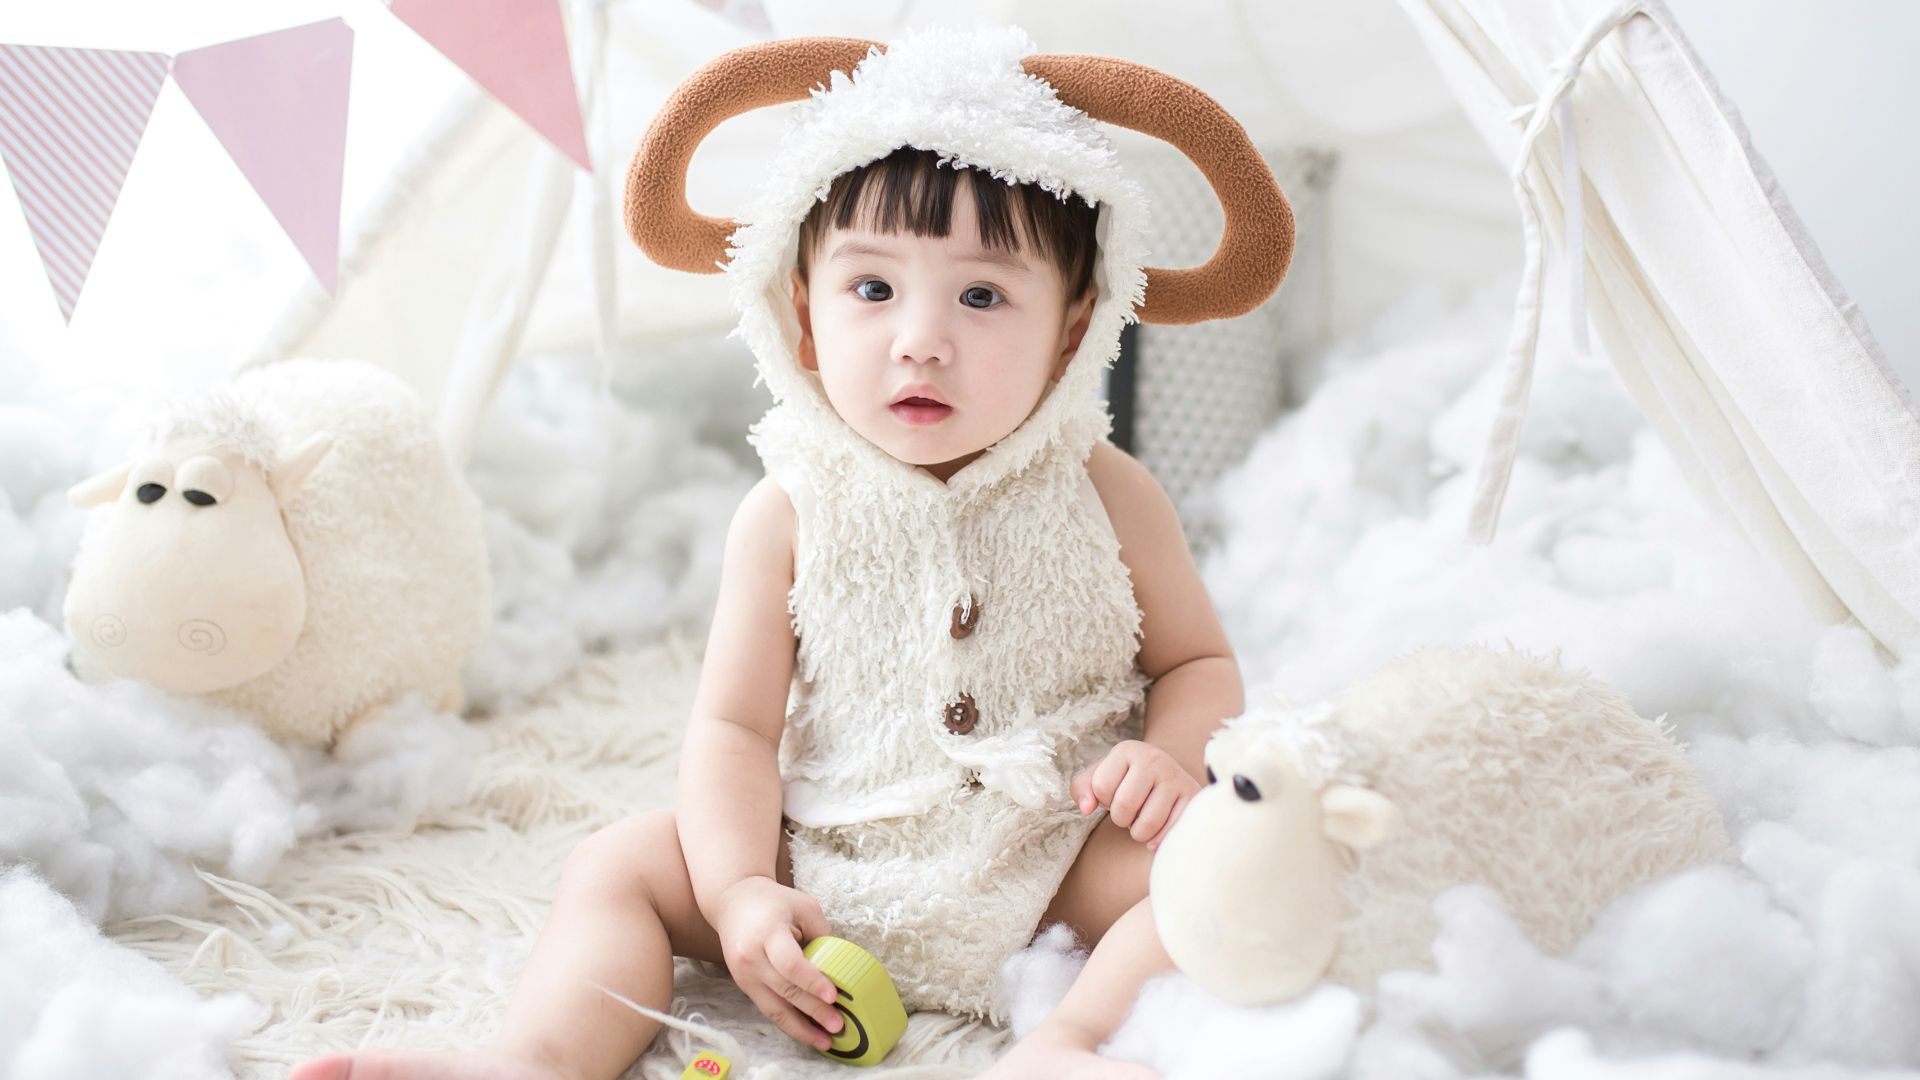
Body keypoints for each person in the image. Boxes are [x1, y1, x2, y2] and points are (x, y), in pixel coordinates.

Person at [289, 24, 1290, 1080]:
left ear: (1074, 328)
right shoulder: (787, 513)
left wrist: (1167, 759)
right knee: (621, 863)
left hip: (1052, 865)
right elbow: (734, 726)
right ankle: (532, 1059)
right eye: (873, 290)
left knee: (1221, 861)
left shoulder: (1109, 494)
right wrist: (738, 894)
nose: (920, 340)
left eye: (982, 296)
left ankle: (1067, 1041)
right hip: (830, 865)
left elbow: (1196, 662)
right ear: (802, 315)